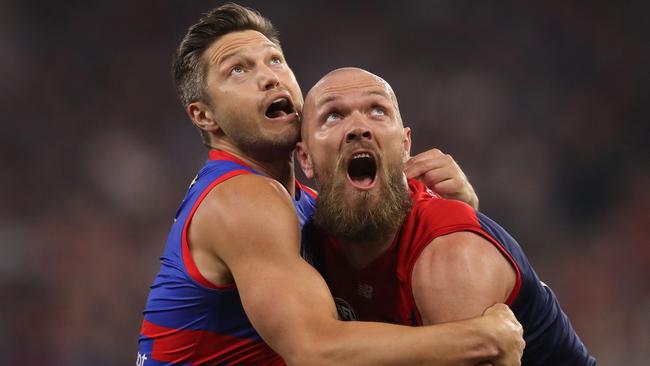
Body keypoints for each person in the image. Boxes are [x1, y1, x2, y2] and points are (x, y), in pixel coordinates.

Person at [137, 4, 525, 365]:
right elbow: (317, 351)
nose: (268, 77)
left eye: (274, 60)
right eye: (238, 70)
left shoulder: (304, 204)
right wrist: (482, 337)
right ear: (204, 116)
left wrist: (460, 214)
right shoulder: (243, 198)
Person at [296, 67, 597, 366]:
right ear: (305, 158)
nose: (359, 127)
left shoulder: (452, 257)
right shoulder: (302, 237)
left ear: (405, 146)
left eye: (377, 111)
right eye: (333, 115)